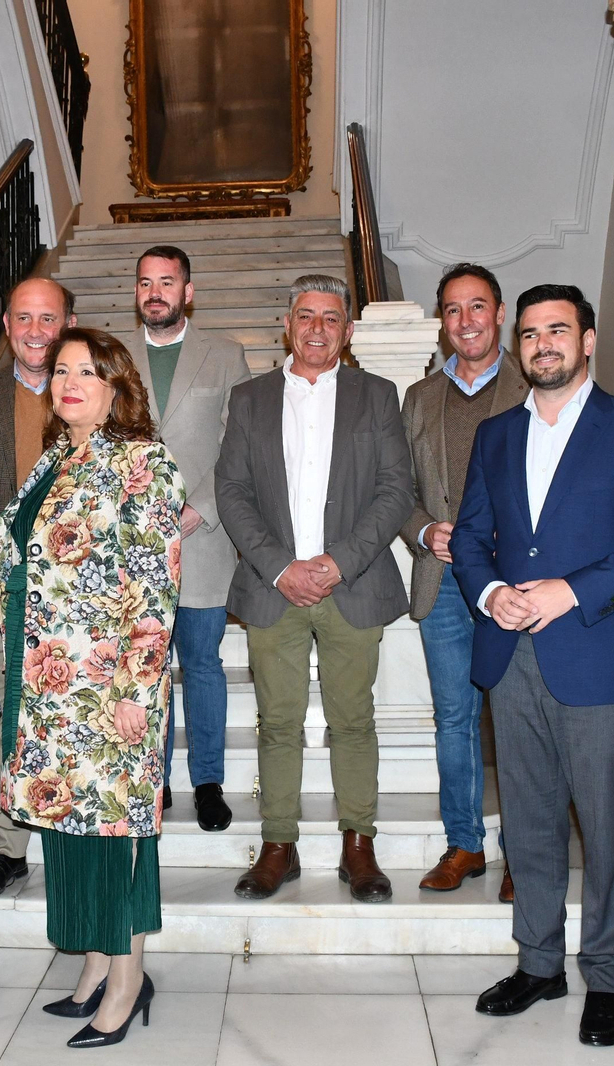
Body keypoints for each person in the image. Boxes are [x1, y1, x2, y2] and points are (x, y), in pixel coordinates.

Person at [450, 284, 614, 1048]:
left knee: (611, 827)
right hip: (511, 655)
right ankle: (540, 963)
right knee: (528, 823)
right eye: (529, 334)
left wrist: (570, 591)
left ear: (588, 340)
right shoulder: (495, 437)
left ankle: (608, 975)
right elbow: (470, 539)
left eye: (558, 330)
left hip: (601, 657)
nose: (542, 344)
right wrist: (490, 594)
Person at [0, 327, 183, 1048]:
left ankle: (129, 979)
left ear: (116, 386)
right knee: (70, 828)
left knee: (115, 831)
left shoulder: (143, 462)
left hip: (108, 689)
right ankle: (97, 964)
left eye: (86, 371)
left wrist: (138, 686)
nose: (68, 381)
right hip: (50, 684)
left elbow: (157, 582)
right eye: (61, 370)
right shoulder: (56, 458)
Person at [216, 275, 414, 904]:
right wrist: (281, 567)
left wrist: (336, 563)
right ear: (288, 324)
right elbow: (232, 492)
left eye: (332, 318)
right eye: (307, 316)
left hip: (350, 586)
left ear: (348, 331)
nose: (318, 329)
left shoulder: (377, 396)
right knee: (278, 723)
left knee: (353, 721)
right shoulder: (250, 398)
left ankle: (359, 845)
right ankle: (279, 844)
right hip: (274, 589)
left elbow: (394, 491)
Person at [401, 264, 528, 898]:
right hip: (445, 580)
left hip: (514, 580)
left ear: (499, 314)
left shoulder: (534, 387)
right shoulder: (419, 398)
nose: (466, 321)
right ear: (442, 322)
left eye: (477, 307)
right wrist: (426, 532)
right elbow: (397, 492)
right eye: (453, 310)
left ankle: (522, 854)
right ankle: (465, 844)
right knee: (454, 715)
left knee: (517, 717)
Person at [0, 276, 76, 900]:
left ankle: (71, 833)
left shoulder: (89, 395)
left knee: (68, 719)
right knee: (3, 722)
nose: (35, 331)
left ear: (67, 323)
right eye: (23, 318)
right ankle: (7, 848)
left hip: (77, 598)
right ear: (6, 325)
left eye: (47, 318)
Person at [122, 245, 249, 832]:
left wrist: (201, 507)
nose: (155, 293)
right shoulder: (114, 356)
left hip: (202, 540)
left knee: (200, 663)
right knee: (144, 666)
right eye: (146, 282)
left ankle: (207, 783)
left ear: (187, 291)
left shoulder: (225, 356)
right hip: (132, 547)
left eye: (166, 282)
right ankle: (152, 782)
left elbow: (240, 446)